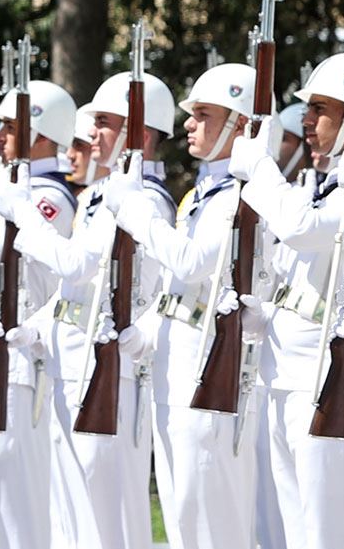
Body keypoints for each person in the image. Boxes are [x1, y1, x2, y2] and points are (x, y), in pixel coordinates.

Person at [229, 52, 344, 549]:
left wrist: (260, 168)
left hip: (336, 380)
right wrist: (268, 313)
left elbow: (302, 231)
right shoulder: (330, 188)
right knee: (297, 530)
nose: (307, 119)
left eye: (321, 108)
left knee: (336, 530)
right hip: (286, 374)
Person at [15, 70, 177, 549]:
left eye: (104, 122)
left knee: (108, 518)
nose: (92, 134)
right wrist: (40, 323)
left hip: (106, 365)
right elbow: (75, 287)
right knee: (72, 513)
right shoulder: (103, 194)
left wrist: (22, 210)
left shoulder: (141, 198)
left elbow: (76, 263)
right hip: (74, 359)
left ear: (140, 134)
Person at [109, 63, 259, 548]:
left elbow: (192, 262)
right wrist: (146, 329)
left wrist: (133, 212)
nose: (189, 124)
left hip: (209, 371)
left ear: (239, 124)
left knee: (212, 516)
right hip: (178, 367)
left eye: (203, 114)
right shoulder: (203, 195)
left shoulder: (240, 195)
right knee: (181, 516)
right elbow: (181, 288)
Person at [0, 79, 79, 549]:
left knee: (15, 502)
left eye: (9, 126)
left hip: (23, 364)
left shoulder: (47, 197)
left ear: (43, 132)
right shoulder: (17, 193)